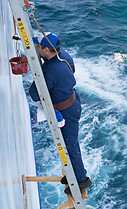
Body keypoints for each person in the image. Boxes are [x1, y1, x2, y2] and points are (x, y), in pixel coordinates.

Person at [29, 32, 91, 194]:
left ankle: (81, 181)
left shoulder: (51, 70)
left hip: (66, 110)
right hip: (73, 101)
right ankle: (77, 173)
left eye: (39, 47)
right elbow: (71, 69)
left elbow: (35, 93)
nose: (37, 48)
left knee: (70, 145)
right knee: (71, 143)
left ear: (47, 50)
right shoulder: (63, 56)